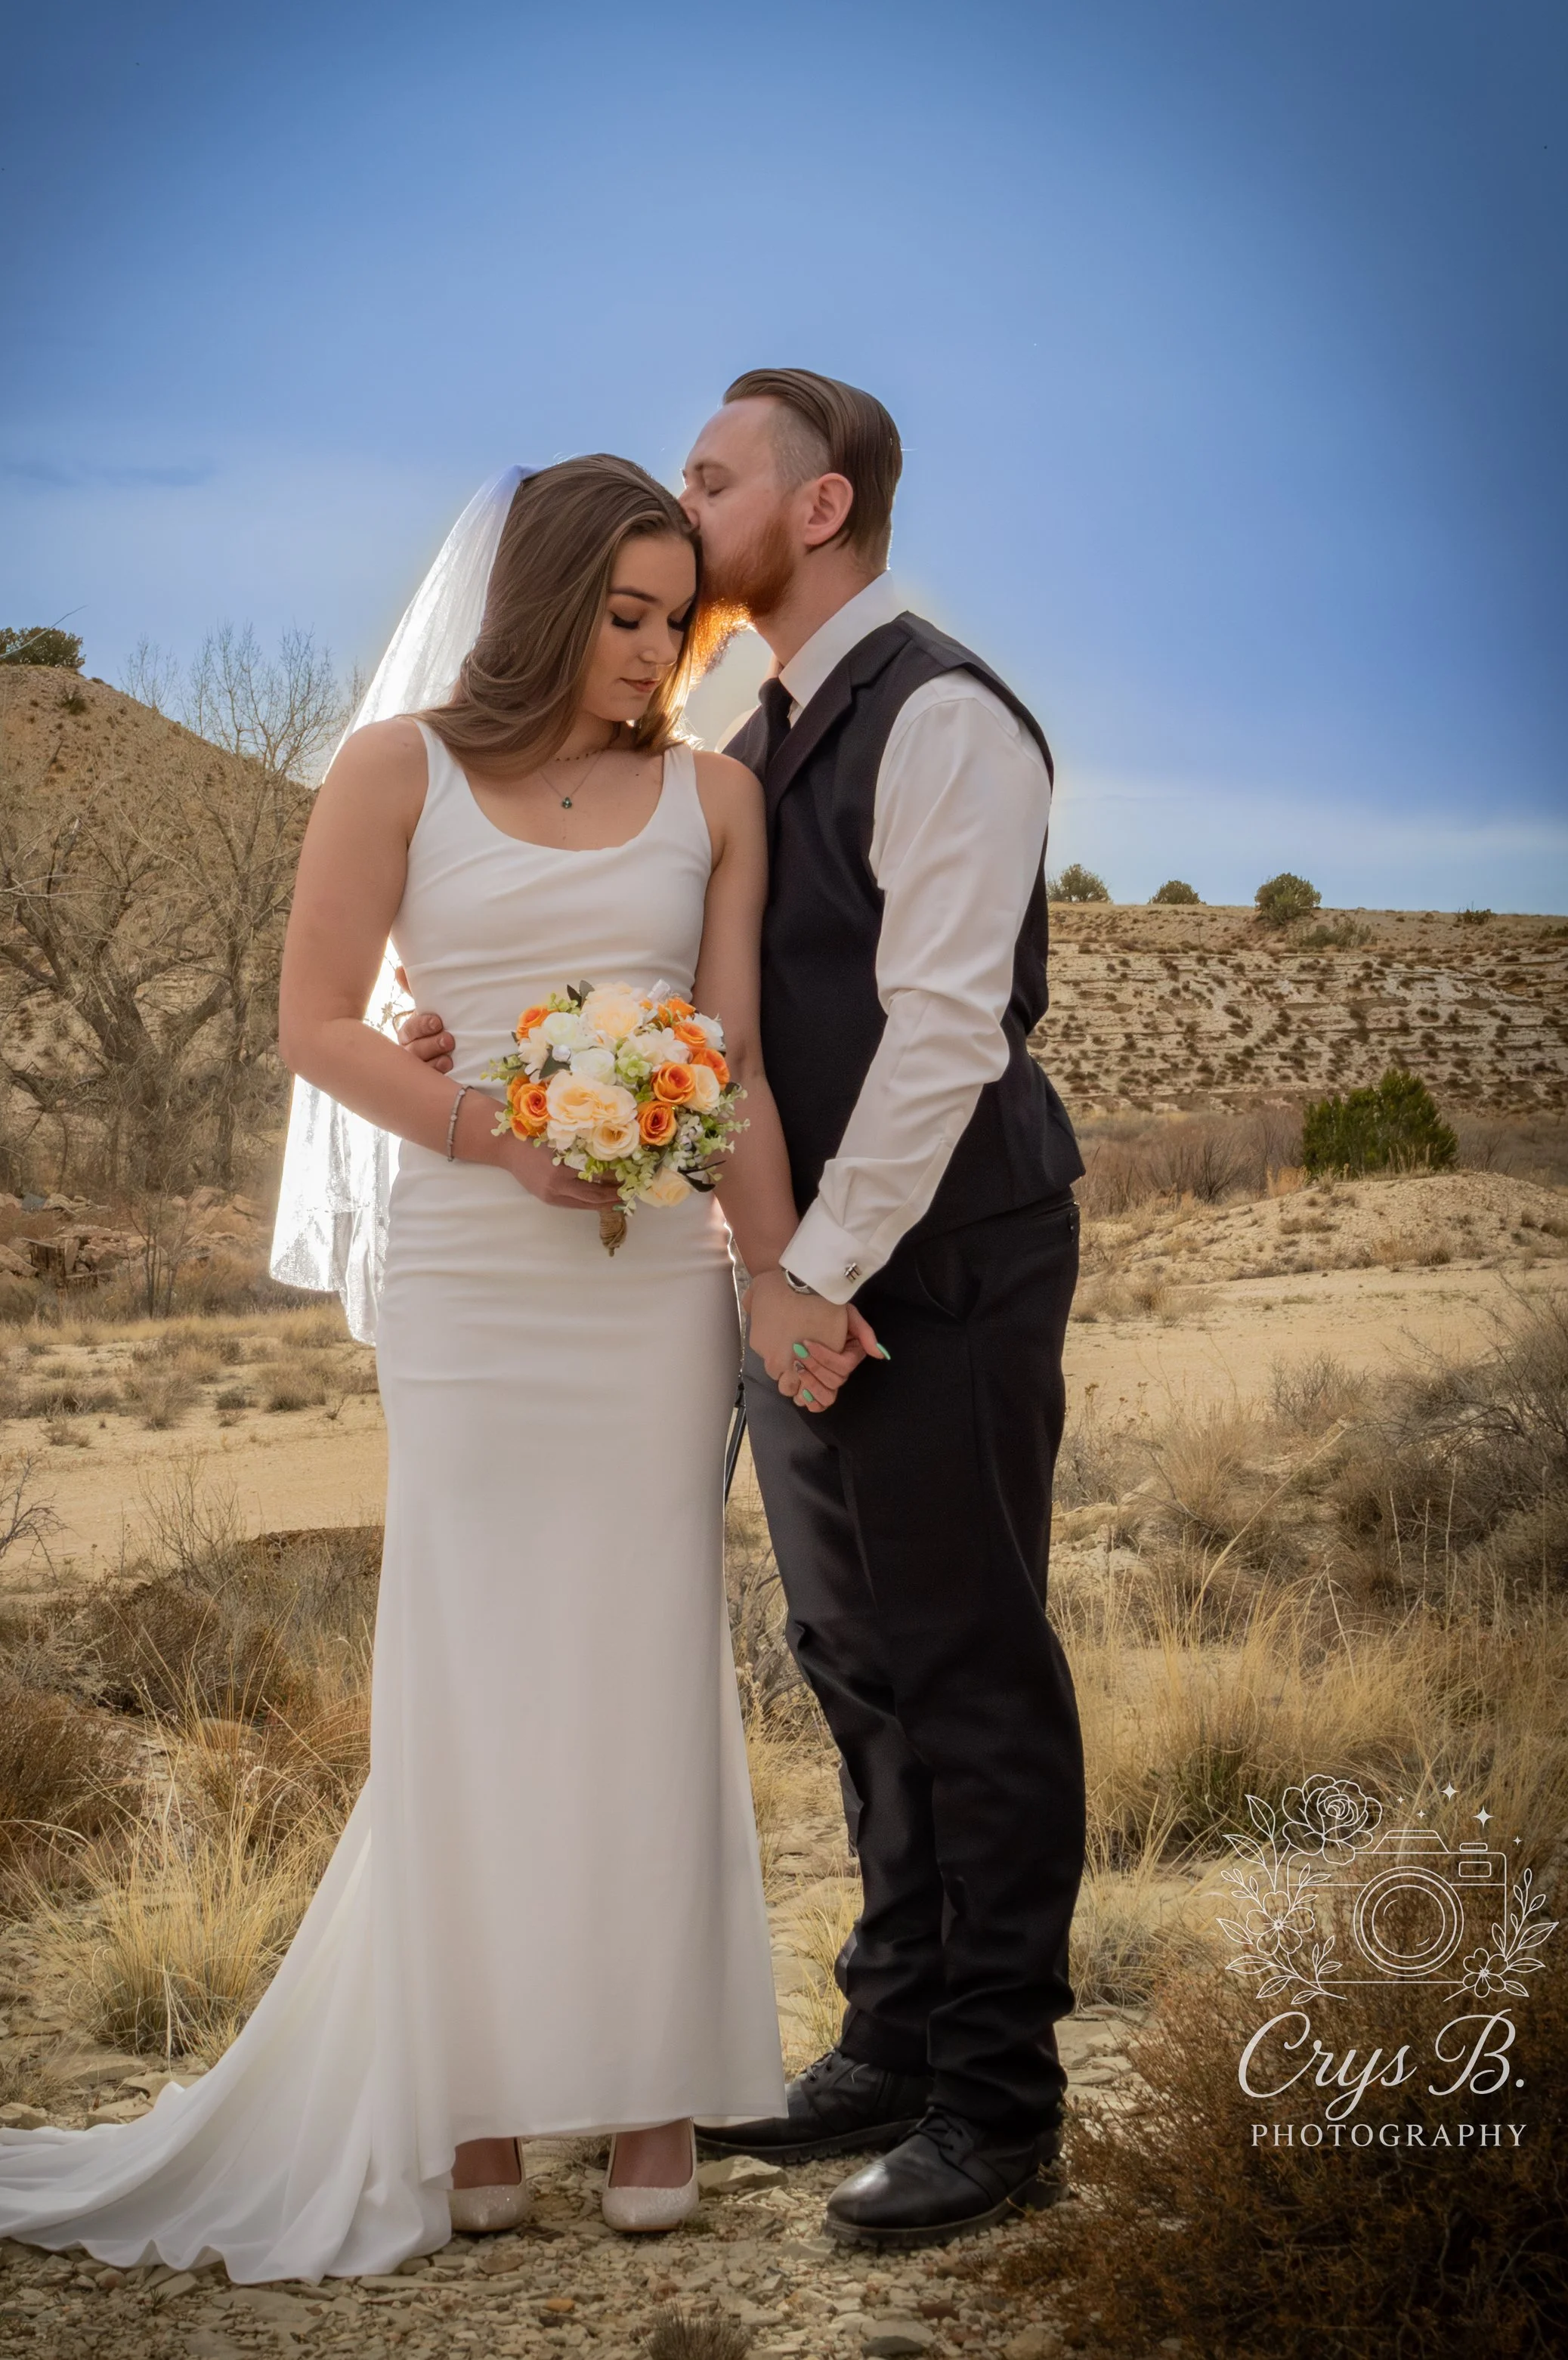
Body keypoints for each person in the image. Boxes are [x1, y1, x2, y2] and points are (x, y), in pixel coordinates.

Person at [0, 455, 871, 2284]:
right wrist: (480, 1123)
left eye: (677, 619)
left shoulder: (715, 797)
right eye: (624, 614)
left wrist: (773, 1279)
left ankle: (650, 2086)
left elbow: (727, 1064)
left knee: (647, 1651)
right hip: (470, 1268)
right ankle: (475, 2094)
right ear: (541, 599)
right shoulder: (395, 767)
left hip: (646, 1272)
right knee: (469, 1657)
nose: (655, 651)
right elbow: (313, 1020)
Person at [404, 373, 1087, 2250]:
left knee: (966, 1659)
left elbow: (947, 1031)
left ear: (817, 506)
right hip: (789, 1270)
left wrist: (808, 1275)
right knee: (854, 1657)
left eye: (712, 476)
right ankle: (886, 2042)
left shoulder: (942, 714)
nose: (684, 498)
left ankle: (1002, 2100)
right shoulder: (755, 720)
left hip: (934, 1259)